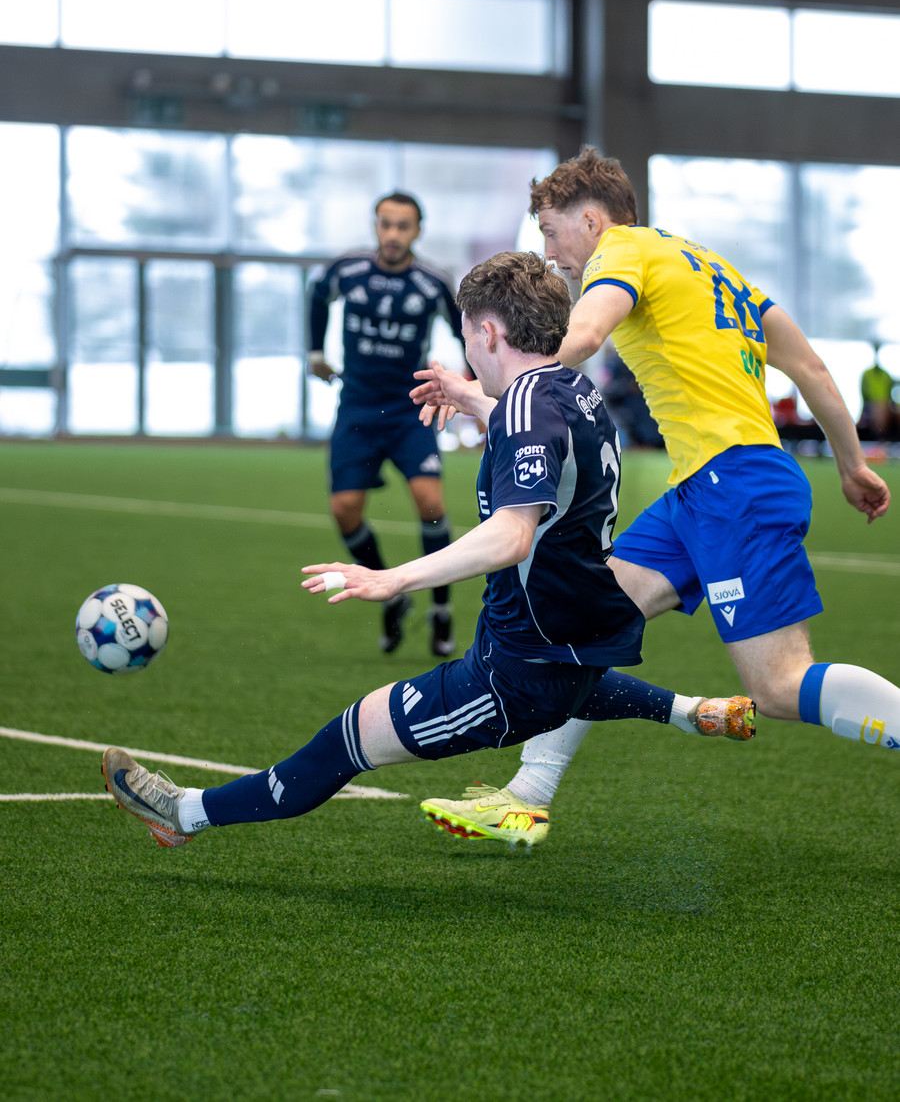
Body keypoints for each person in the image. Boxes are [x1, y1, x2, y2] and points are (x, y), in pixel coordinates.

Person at [101, 252, 749, 852]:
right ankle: (689, 712)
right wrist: (472, 399)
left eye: (466, 334)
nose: (466, 349)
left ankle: (184, 814)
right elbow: (540, 435)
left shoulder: (526, 410)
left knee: (348, 737)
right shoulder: (572, 391)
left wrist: (393, 579)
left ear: (488, 334)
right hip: (578, 638)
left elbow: (513, 534)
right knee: (570, 690)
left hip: (511, 672)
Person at [414, 147, 898, 847]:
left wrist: (495, 383)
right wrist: (852, 466)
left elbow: (584, 334)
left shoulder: (622, 251)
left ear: (591, 220)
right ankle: (526, 797)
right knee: (585, 621)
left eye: (550, 231)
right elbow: (813, 369)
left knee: (779, 687)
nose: (549, 253)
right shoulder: (713, 268)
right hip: (704, 489)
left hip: (734, 486)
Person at [307, 191, 465, 656]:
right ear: (376, 226)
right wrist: (315, 352)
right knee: (344, 510)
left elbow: (466, 331)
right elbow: (317, 295)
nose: (393, 234)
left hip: (409, 409)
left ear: (417, 231)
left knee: (430, 502)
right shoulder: (347, 270)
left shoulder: (433, 282)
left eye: (403, 226)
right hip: (357, 408)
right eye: (386, 224)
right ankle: (390, 593)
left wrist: (471, 384)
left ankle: (441, 609)